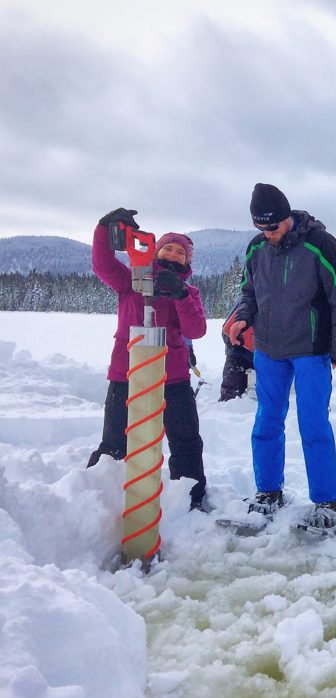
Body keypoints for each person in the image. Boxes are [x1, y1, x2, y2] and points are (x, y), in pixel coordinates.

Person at [228, 184, 336, 529]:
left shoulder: (318, 245)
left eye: (272, 227)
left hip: (311, 350)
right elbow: (249, 293)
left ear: (286, 217)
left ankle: (327, 501)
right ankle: (269, 492)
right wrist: (242, 315)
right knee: (267, 421)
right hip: (269, 351)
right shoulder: (256, 248)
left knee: (313, 423)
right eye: (261, 229)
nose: (267, 234)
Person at [88, 209, 210, 512]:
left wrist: (180, 295)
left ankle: (191, 498)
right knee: (115, 440)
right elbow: (102, 264)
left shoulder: (189, 291)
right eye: (168, 247)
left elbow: (196, 330)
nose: (173, 253)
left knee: (185, 442)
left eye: (180, 251)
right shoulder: (133, 279)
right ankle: (97, 499)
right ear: (156, 251)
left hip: (173, 377)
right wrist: (105, 228)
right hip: (127, 373)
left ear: (187, 261)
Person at [219, 296, 255, 401]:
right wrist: (237, 339)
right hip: (238, 356)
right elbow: (226, 332)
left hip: (265, 357)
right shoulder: (246, 301)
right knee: (230, 398)